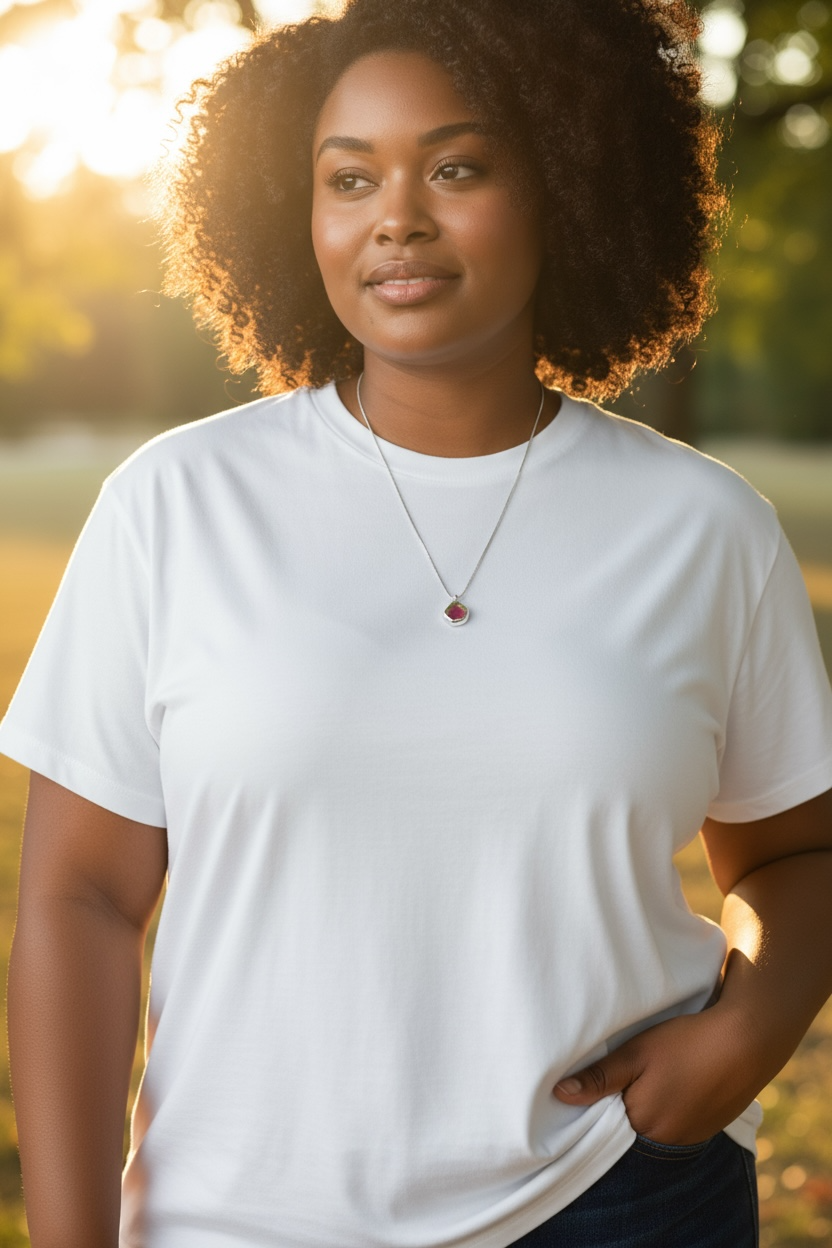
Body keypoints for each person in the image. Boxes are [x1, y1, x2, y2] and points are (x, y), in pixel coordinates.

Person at [2, 0, 832, 1245]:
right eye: (349, 178)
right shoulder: (174, 508)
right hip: (241, 1222)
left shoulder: (703, 529)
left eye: (456, 166)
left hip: (612, 1201)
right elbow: (81, 899)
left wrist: (746, 1036)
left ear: (564, 185)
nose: (397, 215)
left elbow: (791, 857)